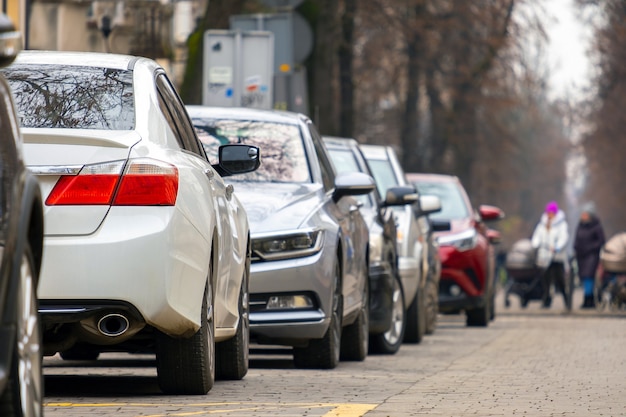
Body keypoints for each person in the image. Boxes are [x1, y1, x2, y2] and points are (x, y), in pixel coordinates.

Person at [531, 201, 570, 309]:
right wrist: (535, 245)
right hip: (544, 256)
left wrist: (557, 247)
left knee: (559, 279)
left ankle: (566, 300)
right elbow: (537, 236)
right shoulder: (542, 224)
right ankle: (546, 299)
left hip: (557, 257)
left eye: (552, 212)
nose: (550, 214)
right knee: (545, 279)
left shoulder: (561, 225)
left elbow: (564, 238)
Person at [574, 203, 606, 308]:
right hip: (581, 256)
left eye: (585, 214)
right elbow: (577, 239)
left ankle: (588, 299)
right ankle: (589, 298)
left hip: (591, 256)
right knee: (583, 277)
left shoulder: (596, 226)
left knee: (589, 277)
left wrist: (590, 247)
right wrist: (576, 247)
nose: (583, 216)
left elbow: (601, 241)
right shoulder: (580, 226)